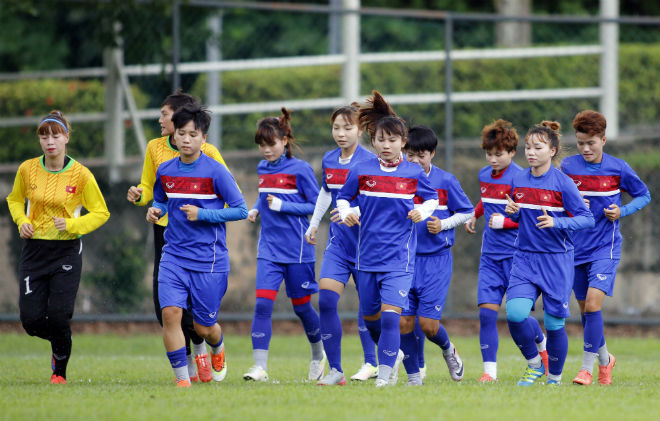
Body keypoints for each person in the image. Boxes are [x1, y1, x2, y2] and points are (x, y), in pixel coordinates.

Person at [336, 91, 439, 387]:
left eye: (393, 140)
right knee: (372, 320)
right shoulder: (361, 170)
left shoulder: (413, 172)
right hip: (367, 258)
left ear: (403, 142)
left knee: (392, 317)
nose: (386, 145)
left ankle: (384, 376)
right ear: (374, 142)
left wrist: (420, 209)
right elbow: (343, 198)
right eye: (381, 139)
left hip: (399, 259)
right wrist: (347, 213)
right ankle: (403, 364)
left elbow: (431, 199)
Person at [127, 91, 228, 382]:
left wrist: (203, 213)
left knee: (197, 313)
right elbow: (152, 188)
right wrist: (139, 196)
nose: (160, 119)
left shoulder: (208, 152)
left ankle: (201, 346)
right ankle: (186, 371)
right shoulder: (155, 149)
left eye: (165, 114)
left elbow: (227, 192)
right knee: (167, 309)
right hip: (167, 234)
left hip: (201, 237)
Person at [146, 104, 246, 387]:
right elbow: (161, 200)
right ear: (174, 137)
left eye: (193, 133)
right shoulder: (165, 170)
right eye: (181, 133)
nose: (186, 139)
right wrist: (155, 210)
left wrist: (203, 214)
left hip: (209, 260)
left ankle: (217, 346)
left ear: (204, 138)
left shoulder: (216, 172)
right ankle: (182, 380)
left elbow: (240, 209)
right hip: (174, 255)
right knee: (170, 313)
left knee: (203, 327)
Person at [7, 110, 110, 384]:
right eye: (44, 136)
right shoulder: (27, 169)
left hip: (66, 251)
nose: (50, 141)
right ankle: (63, 337)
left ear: (66, 137)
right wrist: (21, 221)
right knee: (30, 322)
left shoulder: (81, 175)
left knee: (59, 315)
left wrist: (73, 225)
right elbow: (14, 200)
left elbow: (101, 212)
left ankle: (59, 373)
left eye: (55, 135)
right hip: (34, 251)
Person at [560, 110, 650, 386]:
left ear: (603, 139)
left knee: (593, 304)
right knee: (586, 310)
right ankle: (605, 359)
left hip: (605, 247)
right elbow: (556, 201)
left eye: (591, 143)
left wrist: (621, 211)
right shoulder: (567, 167)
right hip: (575, 249)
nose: (586, 148)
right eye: (581, 143)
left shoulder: (618, 168)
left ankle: (586, 369)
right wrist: (572, 208)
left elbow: (644, 195)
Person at [504, 121, 594, 386]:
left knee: (555, 325)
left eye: (538, 147)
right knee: (515, 314)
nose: (531, 152)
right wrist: (516, 213)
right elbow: (524, 214)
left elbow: (587, 219)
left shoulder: (563, 183)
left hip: (556, 260)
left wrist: (558, 222)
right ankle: (534, 364)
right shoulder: (518, 178)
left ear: (552, 150)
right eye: (528, 147)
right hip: (524, 256)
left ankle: (554, 379)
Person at [245, 108, 325, 382]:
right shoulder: (262, 168)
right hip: (269, 250)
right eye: (261, 145)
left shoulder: (300, 169)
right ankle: (259, 367)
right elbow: (263, 195)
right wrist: (256, 209)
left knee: (302, 308)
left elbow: (316, 206)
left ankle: (318, 355)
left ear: (285, 141)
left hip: (298, 251)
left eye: (271, 144)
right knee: (262, 305)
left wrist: (282, 206)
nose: (266, 150)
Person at [464, 119, 548, 382]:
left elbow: (532, 216)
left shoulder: (523, 178)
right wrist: (474, 215)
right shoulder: (483, 175)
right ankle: (490, 373)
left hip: (517, 257)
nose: (492, 159)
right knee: (487, 314)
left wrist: (506, 222)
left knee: (516, 317)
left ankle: (541, 344)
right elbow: (487, 200)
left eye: (498, 154)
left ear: (512, 152)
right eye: (489, 154)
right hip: (489, 257)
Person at [304, 103, 378, 386]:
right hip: (338, 244)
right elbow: (326, 192)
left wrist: (354, 212)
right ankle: (335, 369)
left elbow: (377, 203)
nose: (341, 133)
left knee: (368, 309)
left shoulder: (371, 161)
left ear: (360, 129)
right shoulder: (330, 159)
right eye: (336, 127)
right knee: (325, 300)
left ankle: (373, 361)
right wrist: (313, 223)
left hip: (368, 246)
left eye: (348, 127)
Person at [398, 125, 474, 386]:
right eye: (410, 155)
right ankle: (414, 377)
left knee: (429, 325)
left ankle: (448, 349)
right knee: (404, 321)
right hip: (404, 259)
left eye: (421, 155)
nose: (416, 160)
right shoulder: (399, 179)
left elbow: (467, 212)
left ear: (432, 154)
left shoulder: (446, 181)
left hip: (436, 261)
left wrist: (443, 224)